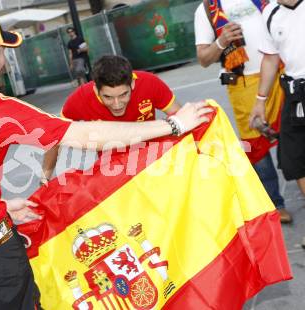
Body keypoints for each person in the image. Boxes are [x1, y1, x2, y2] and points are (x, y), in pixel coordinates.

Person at [0, 10, 211, 310]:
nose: (5, 60)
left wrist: (0, 208)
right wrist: (173, 124)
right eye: (3, 51)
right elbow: (80, 136)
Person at [194, 0, 291, 223]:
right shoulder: (207, 10)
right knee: (256, 149)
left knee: (295, 133)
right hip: (243, 84)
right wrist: (221, 41)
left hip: (283, 73)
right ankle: (274, 204)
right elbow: (203, 59)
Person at [41, 55, 182, 183]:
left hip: (154, 162)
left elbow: (180, 117)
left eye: (123, 95)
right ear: (96, 90)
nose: (117, 104)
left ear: (132, 84)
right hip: (113, 174)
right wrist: (44, 179)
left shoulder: (150, 83)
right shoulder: (80, 98)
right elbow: (55, 137)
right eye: (108, 97)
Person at [249, 0, 305, 245]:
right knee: (295, 159)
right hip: (295, 93)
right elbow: (271, 59)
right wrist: (260, 101)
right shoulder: (270, 13)